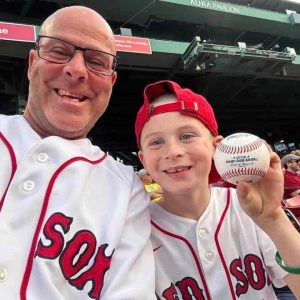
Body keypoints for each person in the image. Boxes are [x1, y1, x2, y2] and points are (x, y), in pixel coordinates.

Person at [0, 6, 155, 299]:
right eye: (59, 51)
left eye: (97, 61)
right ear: (32, 63)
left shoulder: (128, 193)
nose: (77, 70)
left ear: (110, 83)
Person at [134, 80, 300, 299]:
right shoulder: (134, 230)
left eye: (186, 136)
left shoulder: (245, 207)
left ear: (216, 147)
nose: (173, 151)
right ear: (144, 160)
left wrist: (273, 218)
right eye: (156, 142)